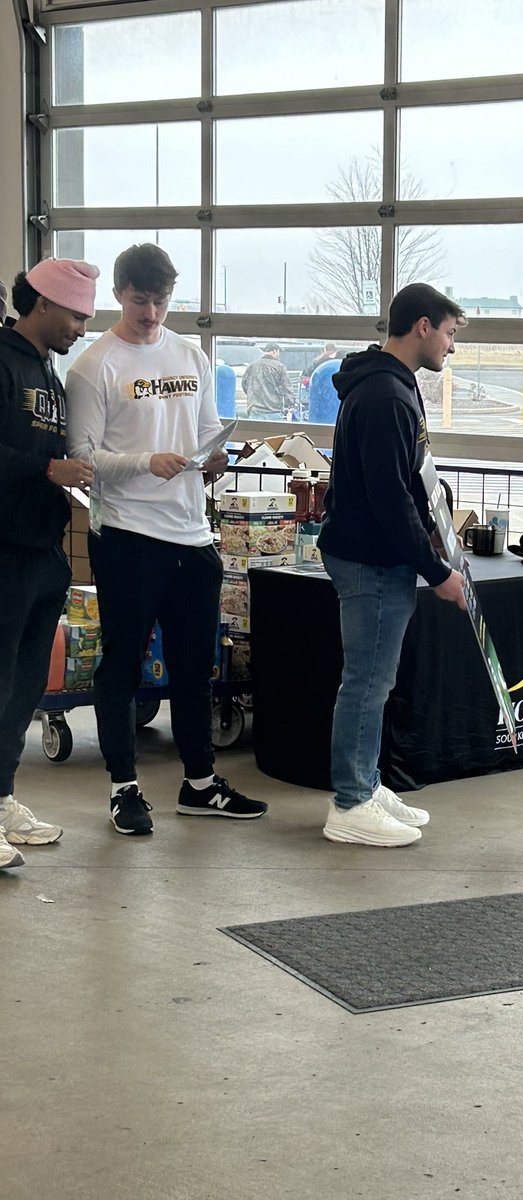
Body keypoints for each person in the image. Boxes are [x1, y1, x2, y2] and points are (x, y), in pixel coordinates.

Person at [66, 243, 267, 835]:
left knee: (193, 666)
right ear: (118, 296)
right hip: (128, 535)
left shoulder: (192, 356)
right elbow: (82, 457)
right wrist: (143, 462)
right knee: (122, 666)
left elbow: (207, 430)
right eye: (139, 302)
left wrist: (216, 458)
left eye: (161, 301)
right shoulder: (93, 366)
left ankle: (199, 782)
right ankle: (123, 786)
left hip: (192, 533)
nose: (151, 314)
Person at [318, 283, 468, 847]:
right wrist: (438, 571)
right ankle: (350, 803)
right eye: (449, 334)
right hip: (369, 561)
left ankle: (365, 780)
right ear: (423, 327)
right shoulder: (384, 396)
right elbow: (390, 499)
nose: (451, 347)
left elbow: (410, 480)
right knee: (367, 682)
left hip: (375, 556)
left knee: (375, 681)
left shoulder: (391, 385)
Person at [0, 259, 99, 868]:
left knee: (26, 687)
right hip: (3, 550)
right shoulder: (3, 361)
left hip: (42, 552)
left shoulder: (48, 374)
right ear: (41, 303)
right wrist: (44, 469)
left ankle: (3, 793)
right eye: (75, 314)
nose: (82, 328)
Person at [241, 342, 294, 420]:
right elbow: (286, 388)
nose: (279, 355)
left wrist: (253, 396)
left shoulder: (252, 366)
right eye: (279, 352)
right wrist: (291, 404)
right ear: (274, 351)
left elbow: (244, 384)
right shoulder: (279, 367)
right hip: (274, 410)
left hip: (256, 409)